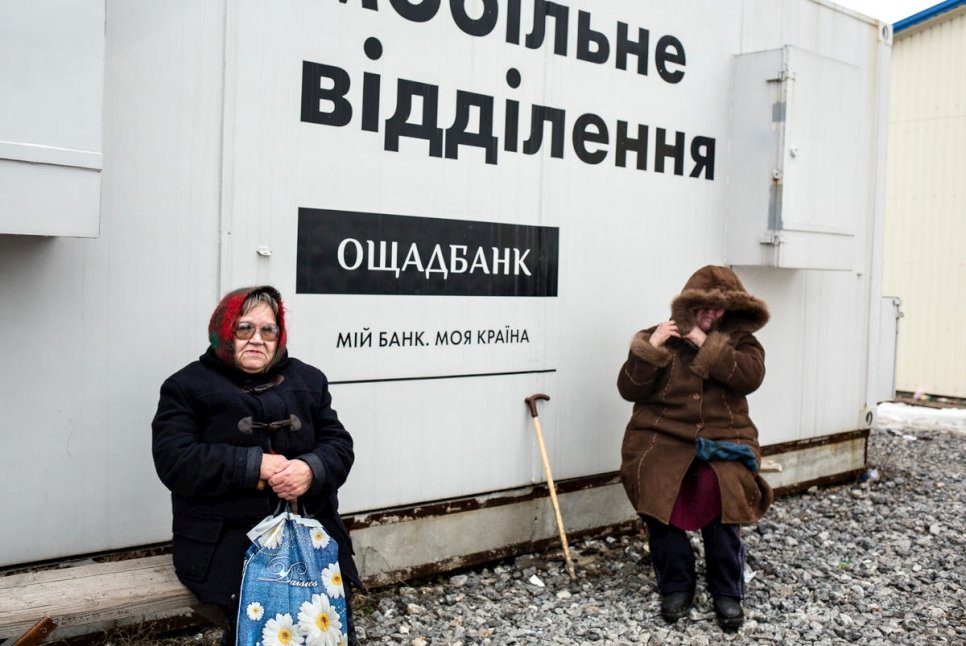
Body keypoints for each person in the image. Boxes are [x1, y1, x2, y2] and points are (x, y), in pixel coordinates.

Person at [152, 285, 360, 644]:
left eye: (268, 330)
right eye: (243, 328)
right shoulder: (185, 386)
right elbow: (175, 460)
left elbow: (339, 445)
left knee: (328, 629)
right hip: (227, 544)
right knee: (256, 629)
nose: (256, 339)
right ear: (223, 332)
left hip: (311, 534)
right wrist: (254, 466)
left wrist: (310, 469)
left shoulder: (308, 380)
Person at [617, 265, 773, 631]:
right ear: (688, 304)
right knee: (657, 488)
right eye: (702, 306)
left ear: (732, 311)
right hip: (661, 437)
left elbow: (750, 377)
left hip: (726, 441)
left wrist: (705, 343)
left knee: (722, 492)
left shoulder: (744, 344)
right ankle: (677, 584)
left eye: (718, 309)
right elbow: (628, 390)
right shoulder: (657, 336)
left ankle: (727, 591)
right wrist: (649, 349)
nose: (710, 314)